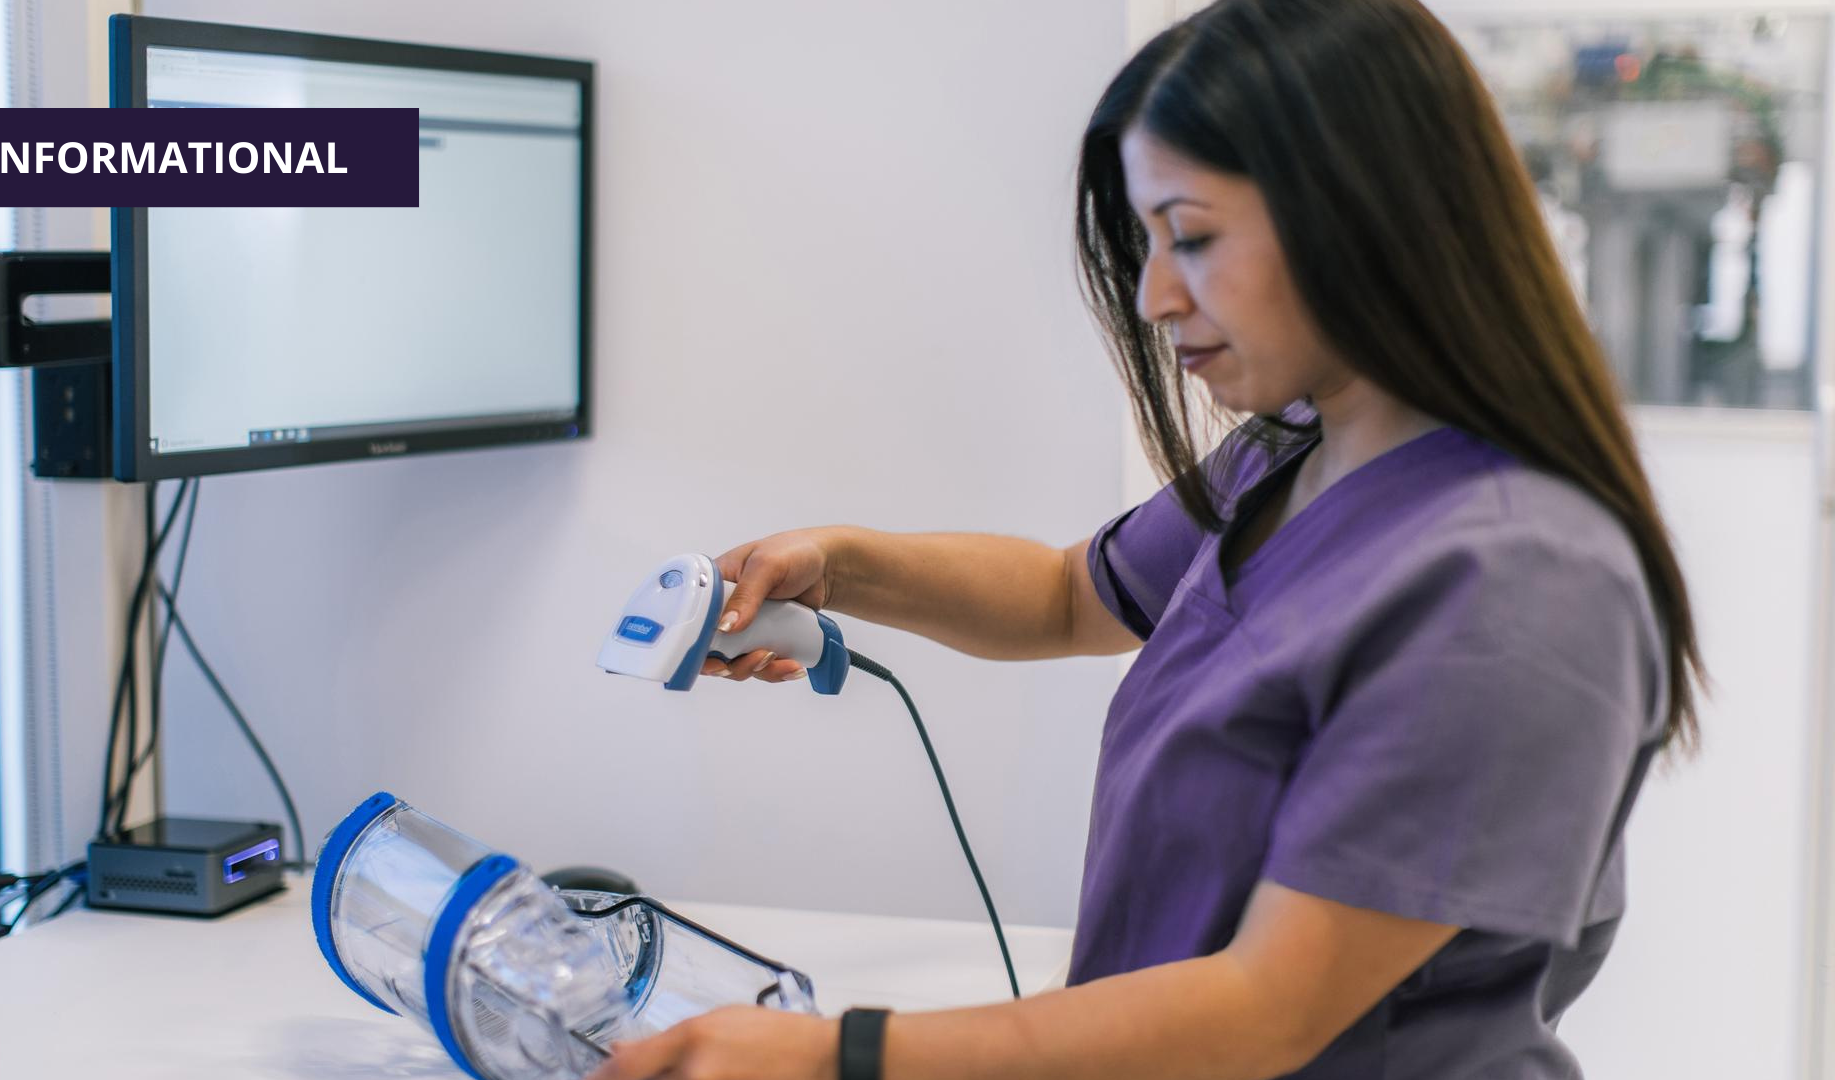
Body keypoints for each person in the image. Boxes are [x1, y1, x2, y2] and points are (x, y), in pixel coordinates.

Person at [587, 0, 1703, 1076]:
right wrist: (840, 565)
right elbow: (1069, 597)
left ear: (1364, 211)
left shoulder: (1518, 581)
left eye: (1194, 238)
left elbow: (1267, 1013)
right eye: (1147, 241)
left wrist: (844, 1057)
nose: (1159, 294)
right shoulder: (1297, 451)